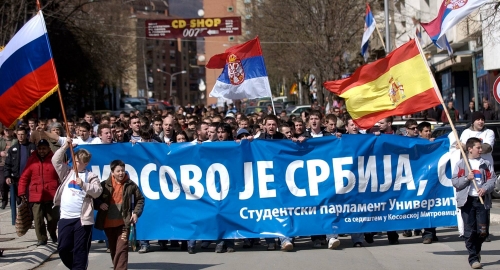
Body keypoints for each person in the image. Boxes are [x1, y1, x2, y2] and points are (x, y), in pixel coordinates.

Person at [52, 137, 103, 270]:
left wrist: (85, 185)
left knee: (80, 250)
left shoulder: (90, 176)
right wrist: (65, 146)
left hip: (81, 220)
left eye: (78, 162)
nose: (74, 163)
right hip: (65, 218)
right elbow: (55, 160)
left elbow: (98, 191)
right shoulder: (67, 172)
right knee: (63, 248)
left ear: (85, 163)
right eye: (74, 160)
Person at [452, 137, 496, 269]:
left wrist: (485, 188)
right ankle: (473, 258)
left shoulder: (485, 164)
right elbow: (455, 182)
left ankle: (476, 250)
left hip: (482, 201)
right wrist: (467, 178)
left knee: (482, 231)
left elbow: (492, 180)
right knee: (469, 231)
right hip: (467, 201)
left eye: (481, 147)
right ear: (470, 149)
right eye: (478, 147)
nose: (481, 150)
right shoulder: (461, 164)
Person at [95, 160, 145, 270]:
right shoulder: (104, 185)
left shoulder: (131, 185)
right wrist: (100, 204)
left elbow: (140, 199)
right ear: (112, 172)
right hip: (108, 223)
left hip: (124, 223)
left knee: (122, 249)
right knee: (114, 249)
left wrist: (136, 213)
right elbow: (94, 199)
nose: (121, 173)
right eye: (118, 171)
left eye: (123, 170)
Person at [17, 139, 60, 245]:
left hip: (52, 194)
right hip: (36, 195)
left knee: (53, 218)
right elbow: (24, 177)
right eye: (40, 148)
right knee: (38, 218)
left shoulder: (54, 159)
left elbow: (62, 174)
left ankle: (53, 233)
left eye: (44, 148)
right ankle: (41, 238)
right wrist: (21, 192)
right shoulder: (32, 160)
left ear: (48, 149)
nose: (41, 151)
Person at [4, 127, 36, 207]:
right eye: (18, 134)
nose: (20, 136)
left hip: (30, 179)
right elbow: (8, 164)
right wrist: (7, 176)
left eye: (22, 134)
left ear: (26, 135)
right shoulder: (12, 149)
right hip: (17, 179)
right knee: (18, 201)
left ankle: (30, 217)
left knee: (30, 202)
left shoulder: (33, 147)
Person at [0, 127, 17, 209]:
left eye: (9, 129)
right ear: (4, 131)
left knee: (14, 183)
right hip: (2, 164)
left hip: (13, 165)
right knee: (3, 183)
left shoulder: (15, 140)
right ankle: (4, 200)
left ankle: (15, 200)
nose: (7, 131)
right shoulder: (1, 140)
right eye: (6, 130)